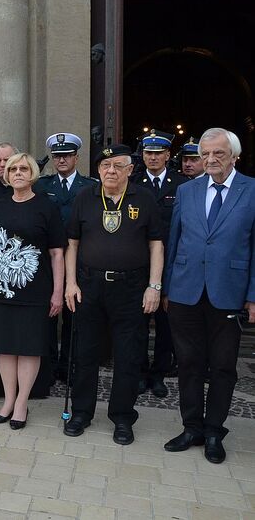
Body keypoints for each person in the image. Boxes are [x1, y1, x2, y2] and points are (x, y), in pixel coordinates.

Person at [162, 127, 254, 464]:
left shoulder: (252, 190)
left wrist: (253, 296)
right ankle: (192, 428)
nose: (211, 159)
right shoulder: (187, 191)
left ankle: (215, 431)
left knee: (223, 366)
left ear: (235, 157)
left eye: (219, 153)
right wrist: (167, 287)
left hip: (228, 292)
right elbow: (174, 241)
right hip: (185, 291)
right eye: (205, 154)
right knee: (188, 363)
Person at [63, 144, 163, 445]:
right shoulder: (85, 197)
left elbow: (156, 244)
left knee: (128, 355)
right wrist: (70, 283)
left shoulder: (144, 198)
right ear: (98, 170)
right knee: (85, 353)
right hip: (89, 286)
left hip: (131, 288)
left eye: (118, 165)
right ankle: (81, 412)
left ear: (130, 169)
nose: (111, 171)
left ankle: (122, 417)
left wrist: (154, 286)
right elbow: (72, 244)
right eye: (105, 166)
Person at [0, 153, 66, 429]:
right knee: (5, 347)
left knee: (29, 347)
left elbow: (57, 253)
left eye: (23, 168)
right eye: (13, 169)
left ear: (32, 174)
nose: (18, 173)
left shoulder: (47, 207)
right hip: (1, 289)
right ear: (6, 175)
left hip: (35, 291)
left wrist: (58, 291)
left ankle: (22, 403)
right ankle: (8, 401)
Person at [131, 130, 187, 397]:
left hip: (169, 265)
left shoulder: (182, 185)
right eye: (148, 153)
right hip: (138, 263)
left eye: (157, 153)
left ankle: (159, 374)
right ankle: (141, 373)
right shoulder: (133, 183)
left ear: (167, 155)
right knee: (138, 324)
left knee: (166, 325)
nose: (152, 157)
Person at [36, 133, 96, 382]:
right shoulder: (42, 186)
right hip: (48, 260)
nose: (61, 160)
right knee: (48, 316)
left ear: (76, 158)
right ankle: (49, 366)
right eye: (57, 156)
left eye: (67, 155)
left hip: (78, 260)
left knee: (74, 316)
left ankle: (68, 366)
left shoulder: (90, 186)